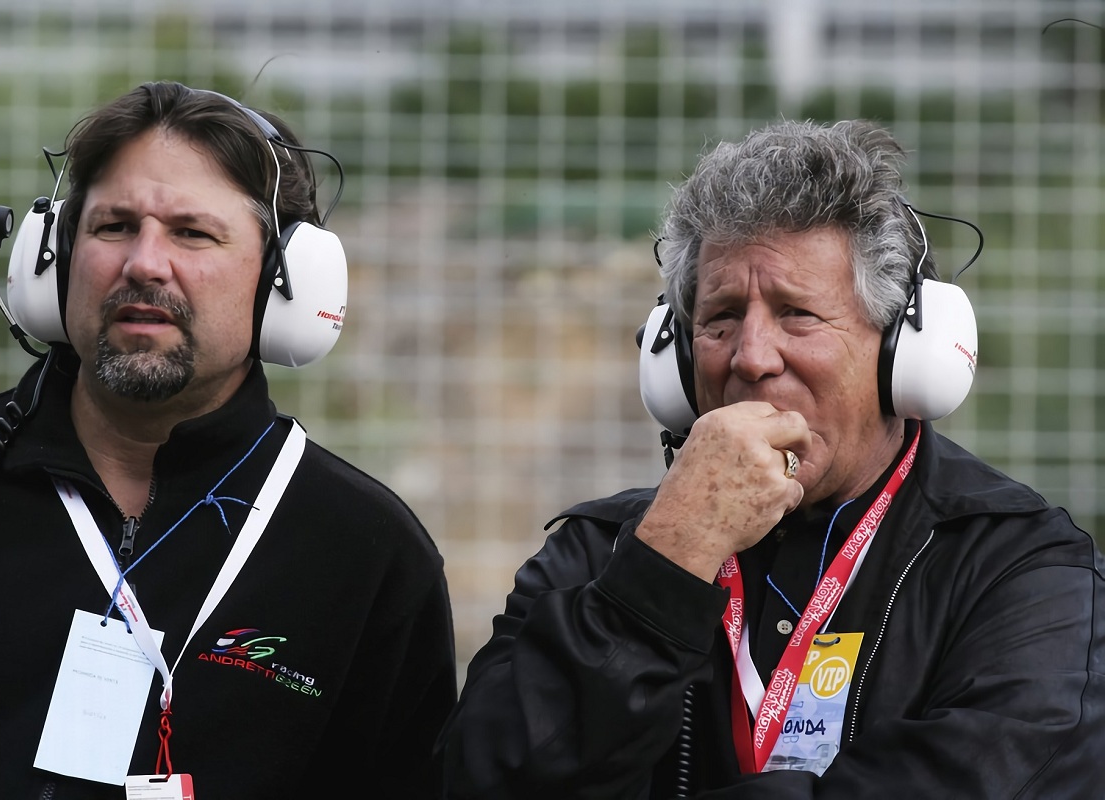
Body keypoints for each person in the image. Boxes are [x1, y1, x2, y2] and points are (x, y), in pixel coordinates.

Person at [439, 119, 1105, 798]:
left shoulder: (1025, 570)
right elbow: (483, 778)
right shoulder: (599, 553)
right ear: (676, 358)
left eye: (798, 315)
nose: (752, 357)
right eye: (721, 318)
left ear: (901, 355)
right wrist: (669, 561)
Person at [0, 81, 456, 798]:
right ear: (54, 255)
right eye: (113, 227)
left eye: (192, 233)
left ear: (285, 283)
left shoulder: (368, 553)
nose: (144, 262)